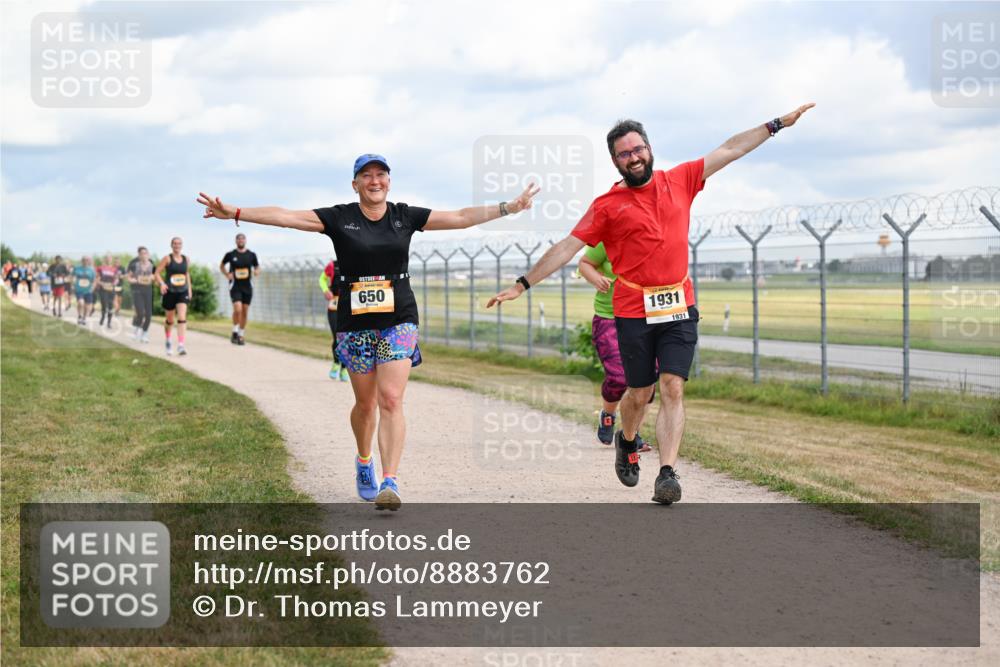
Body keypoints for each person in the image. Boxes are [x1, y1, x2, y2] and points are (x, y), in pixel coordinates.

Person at [488, 105, 815, 504]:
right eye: (625, 153)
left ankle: (667, 474)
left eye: (638, 148)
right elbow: (568, 248)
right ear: (615, 161)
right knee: (639, 393)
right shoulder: (607, 205)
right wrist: (523, 284)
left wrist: (776, 124)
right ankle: (626, 441)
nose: (634, 157)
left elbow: (730, 149)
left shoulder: (680, 180)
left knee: (673, 386)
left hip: (679, 303)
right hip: (631, 309)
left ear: (649, 149)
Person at [197, 153, 539, 510]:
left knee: (390, 398)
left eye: (381, 175)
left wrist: (509, 207)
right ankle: (364, 460)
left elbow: (460, 217)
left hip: (399, 318)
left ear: (389, 181)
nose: (375, 181)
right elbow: (286, 217)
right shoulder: (339, 217)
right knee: (365, 403)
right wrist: (235, 212)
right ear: (355, 184)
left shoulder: (404, 216)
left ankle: (389, 480)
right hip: (355, 321)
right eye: (366, 175)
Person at [578, 242, 651, 452]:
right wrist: (597, 278)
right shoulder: (607, 240)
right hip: (609, 317)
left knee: (647, 382)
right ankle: (608, 414)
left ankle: (633, 434)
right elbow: (584, 264)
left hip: (645, 317)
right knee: (619, 378)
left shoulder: (654, 236)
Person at [219, 233, 260, 345]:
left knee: (245, 311)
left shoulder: (251, 255)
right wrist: (227, 274)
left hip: (247, 286)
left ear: (245, 241)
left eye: (242, 239)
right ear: (236, 241)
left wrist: (257, 271)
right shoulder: (231, 254)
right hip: (235, 286)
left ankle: (241, 335)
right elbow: (221, 266)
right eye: (239, 239)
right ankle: (235, 330)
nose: (241, 241)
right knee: (238, 309)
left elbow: (257, 267)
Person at [154, 237, 192, 356]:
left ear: (182, 245)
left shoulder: (186, 259)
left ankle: (181, 345)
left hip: (183, 291)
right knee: (170, 320)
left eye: (179, 243)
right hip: (170, 292)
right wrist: (162, 284)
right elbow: (156, 273)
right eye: (175, 243)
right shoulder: (167, 259)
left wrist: (189, 289)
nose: (177, 245)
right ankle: (168, 340)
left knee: (181, 317)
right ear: (171, 245)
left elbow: (186, 274)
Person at [319, 259, 348, 381]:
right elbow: (321, 279)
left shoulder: (355, 263)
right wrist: (326, 290)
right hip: (334, 305)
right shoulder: (332, 265)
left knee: (347, 338)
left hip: (349, 306)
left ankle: (344, 368)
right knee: (337, 336)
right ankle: (336, 363)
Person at [127, 246, 155, 342]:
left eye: (145, 253)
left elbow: (155, 276)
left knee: (148, 314)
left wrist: (151, 278)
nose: (144, 255)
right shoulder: (134, 265)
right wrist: (134, 280)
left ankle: (144, 334)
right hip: (137, 291)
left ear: (148, 254)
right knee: (140, 312)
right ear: (139, 255)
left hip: (148, 290)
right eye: (142, 253)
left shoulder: (152, 265)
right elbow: (129, 278)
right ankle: (136, 331)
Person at [95, 254, 118, 329]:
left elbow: (116, 279)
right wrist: (101, 283)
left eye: (110, 258)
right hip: (103, 289)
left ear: (111, 260)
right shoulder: (100, 268)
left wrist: (115, 283)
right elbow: (97, 279)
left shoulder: (114, 269)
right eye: (107, 258)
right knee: (104, 304)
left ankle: (109, 322)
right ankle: (103, 316)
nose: (108, 260)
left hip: (111, 289)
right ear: (105, 260)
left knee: (111, 305)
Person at [73, 256, 97, 325]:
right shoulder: (77, 268)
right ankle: (79, 316)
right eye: (84, 260)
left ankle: (84, 318)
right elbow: (73, 276)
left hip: (88, 290)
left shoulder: (91, 270)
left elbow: (94, 280)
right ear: (82, 261)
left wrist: (92, 288)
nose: (85, 262)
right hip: (79, 289)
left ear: (88, 261)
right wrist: (73, 284)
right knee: (81, 302)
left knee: (87, 306)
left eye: (87, 260)